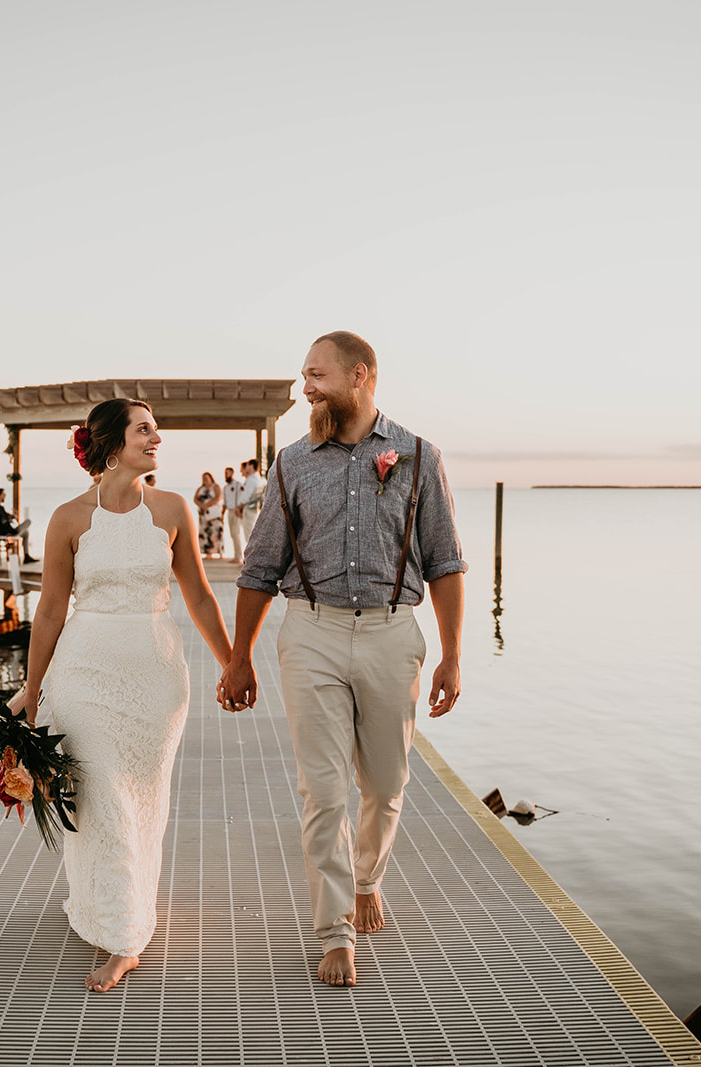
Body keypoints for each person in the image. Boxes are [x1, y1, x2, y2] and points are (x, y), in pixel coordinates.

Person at [219, 330, 467, 989]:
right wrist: (238, 657)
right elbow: (259, 566)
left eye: (316, 375)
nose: (307, 387)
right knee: (324, 790)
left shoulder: (418, 455)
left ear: (360, 376)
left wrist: (452, 655)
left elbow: (445, 562)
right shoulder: (292, 463)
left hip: (393, 632)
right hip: (312, 634)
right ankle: (336, 933)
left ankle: (368, 879)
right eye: (305, 376)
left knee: (385, 785)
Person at [20, 398, 232, 992]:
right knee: (103, 797)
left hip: (156, 678)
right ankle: (121, 934)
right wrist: (32, 692)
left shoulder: (172, 509)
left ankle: (115, 912)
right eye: (145, 430)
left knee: (142, 802)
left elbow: (198, 595)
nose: (156, 439)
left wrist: (234, 663)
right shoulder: (67, 518)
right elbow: (50, 612)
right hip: (84, 674)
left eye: (157, 430)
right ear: (112, 444)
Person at [0, 488, 33, 563]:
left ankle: (26, 556)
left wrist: (11, 517)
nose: (4, 496)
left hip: (0, 531)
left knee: (26, 533)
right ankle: (15, 538)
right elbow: (4, 522)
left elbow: (3, 519)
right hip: (7, 532)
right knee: (28, 521)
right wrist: (12, 520)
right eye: (3, 495)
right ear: (0, 495)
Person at [193, 472, 223, 558]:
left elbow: (218, 497)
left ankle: (219, 552)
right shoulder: (201, 488)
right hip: (203, 514)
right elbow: (195, 499)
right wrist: (202, 506)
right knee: (205, 532)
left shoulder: (215, 486)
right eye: (203, 478)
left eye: (206, 478)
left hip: (213, 513)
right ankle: (208, 552)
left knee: (216, 531)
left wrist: (208, 505)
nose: (205, 480)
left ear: (211, 478)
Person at [239, 458, 265, 550]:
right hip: (255, 508)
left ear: (252, 466)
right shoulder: (261, 479)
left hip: (249, 508)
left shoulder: (251, 480)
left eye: (248, 465)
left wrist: (240, 507)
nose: (247, 468)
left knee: (249, 533)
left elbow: (246, 496)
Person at [220, 465, 244, 561]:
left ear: (232, 473)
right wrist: (222, 515)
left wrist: (240, 509)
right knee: (232, 534)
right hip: (229, 511)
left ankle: (238, 556)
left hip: (236, 510)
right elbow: (225, 503)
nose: (226, 475)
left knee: (236, 533)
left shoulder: (238, 485)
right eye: (225, 473)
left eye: (228, 473)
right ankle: (236, 555)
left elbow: (243, 498)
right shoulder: (225, 487)